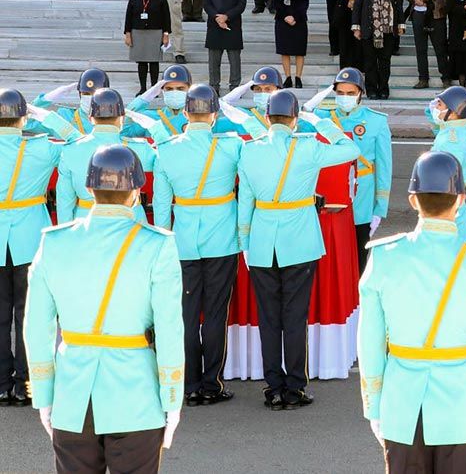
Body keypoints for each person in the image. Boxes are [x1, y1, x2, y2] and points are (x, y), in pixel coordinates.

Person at [25, 144, 184, 473]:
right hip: (136, 397)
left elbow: (36, 327)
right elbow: (170, 329)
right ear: (137, 192)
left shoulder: (54, 242)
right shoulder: (158, 245)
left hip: (72, 395)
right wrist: (172, 399)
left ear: (88, 189)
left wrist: (43, 393)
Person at [358, 150, 466, 472]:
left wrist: (375, 406)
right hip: (462, 409)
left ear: (413, 199)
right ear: (461, 199)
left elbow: (369, 341)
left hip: (402, 409)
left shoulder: (385, 256)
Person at [237, 90, 359, 410]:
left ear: (267, 118)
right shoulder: (307, 147)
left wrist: (245, 243)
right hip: (300, 242)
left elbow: (245, 203)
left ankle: (273, 386)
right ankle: (295, 386)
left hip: (262, 242)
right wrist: (319, 120)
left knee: (268, 317)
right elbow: (350, 148)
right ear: (294, 119)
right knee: (294, 315)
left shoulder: (249, 151)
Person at [150, 85, 241, 407]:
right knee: (216, 312)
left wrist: (163, 238)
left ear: (186, 113)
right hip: (223, 238)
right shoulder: (230, 146)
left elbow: (161, 205)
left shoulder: (166, 149)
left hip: (184, 240)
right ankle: (211, 383)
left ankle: (189, 383)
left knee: (187, 314)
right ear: (214, 115)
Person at [0, 90, 77, 408]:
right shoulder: (43, 148)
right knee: (30, 315)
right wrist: (44, 113)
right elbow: (77, 141)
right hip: (31, 237)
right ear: (23, 117)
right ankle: (26, 383)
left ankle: (1, 383)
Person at [312, 68, 393, 271]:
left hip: (361, 200)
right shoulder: (321, 117)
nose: (344, 97)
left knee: (358, 260)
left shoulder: (377, 121)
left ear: (360, 94)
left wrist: (380, 208)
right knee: (327, 260)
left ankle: (358, 301)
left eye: (350, 93)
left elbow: (384, 168)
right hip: (328, 198)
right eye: (340, 93)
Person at [57, 89, 155, 223]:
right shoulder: (139, 148)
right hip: (131, 221)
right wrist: (156, 129)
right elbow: (169, 159)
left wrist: (67, 232)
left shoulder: (72, 149)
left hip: (86, 220)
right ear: (122, 118)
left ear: (90, 118)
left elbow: (65, 200)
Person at [424, 86, 466, 241]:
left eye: (439, 104)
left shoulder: (453, 142)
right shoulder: (457, 129)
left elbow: (445, 182)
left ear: (453, 112)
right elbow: (440, 130)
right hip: (452, 208)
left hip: (448, 212)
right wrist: (431, 113)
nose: (435, 107)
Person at [353, 0, 406, 99]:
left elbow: (398, 7)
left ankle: (383, 88)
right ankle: (371, 89)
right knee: (370, 62)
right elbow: (357, 8)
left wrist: (400, 25)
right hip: (369, 30)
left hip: (387, 31)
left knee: (384, 62)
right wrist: (356, 28)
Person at [125, 0, 172, 94]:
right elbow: (128, 16)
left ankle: (154, 88)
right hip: (138, 32)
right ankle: (142, 88)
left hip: (155, 32)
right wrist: (128, 34)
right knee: (141, 61)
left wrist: (166, 34)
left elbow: (166, 17)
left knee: (153, 61)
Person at [411, 0, 453, 89]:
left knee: (440, 48)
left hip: (436, 15)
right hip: (419, 13)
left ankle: (446, 77)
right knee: (420, 49)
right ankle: (423, 78)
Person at [203, 0, 246, 93]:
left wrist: (226, 16)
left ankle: (234, 87)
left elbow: (241, 5)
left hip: (232, 26)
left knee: (234, 60)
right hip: (214, 26)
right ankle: (214, 86)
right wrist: (217, 17)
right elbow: (206, 4)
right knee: (214, 61)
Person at [271, 0, 310, 88]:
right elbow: (276, 3)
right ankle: (288, 77)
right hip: (282, 21)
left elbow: (304, 3)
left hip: (298, 21)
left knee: (299, 51)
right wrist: (285, 16)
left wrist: (294, 17)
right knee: (285, 50)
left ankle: (298, 77)